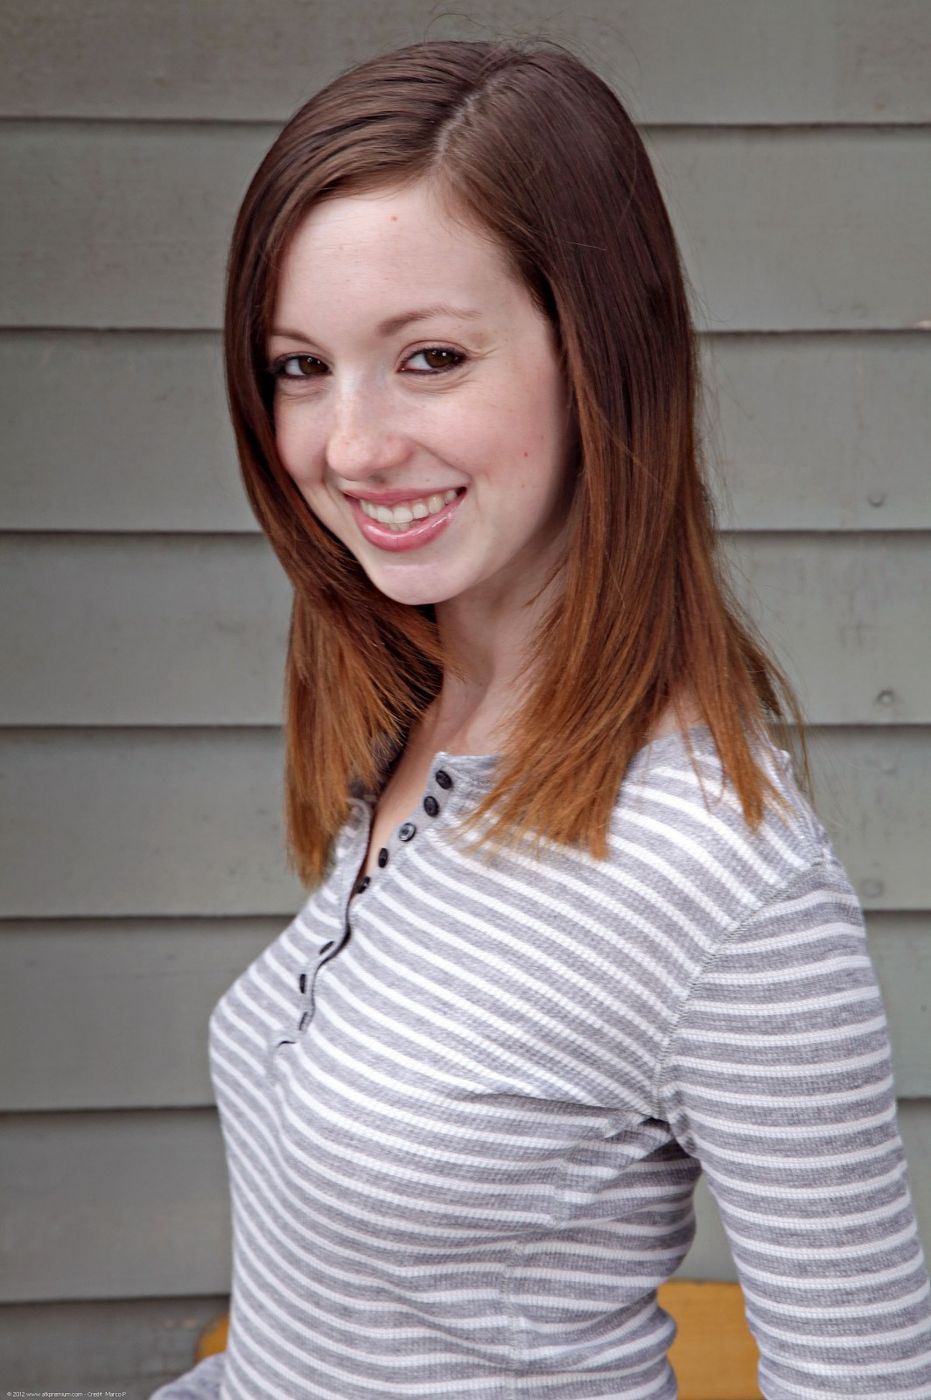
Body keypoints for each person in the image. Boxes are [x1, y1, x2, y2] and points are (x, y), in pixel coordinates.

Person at [152, 38, 931, 1400]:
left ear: (600, 355)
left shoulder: (723, 881)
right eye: (300, 366)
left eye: (431, 357)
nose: (350, 445)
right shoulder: (418, 721)